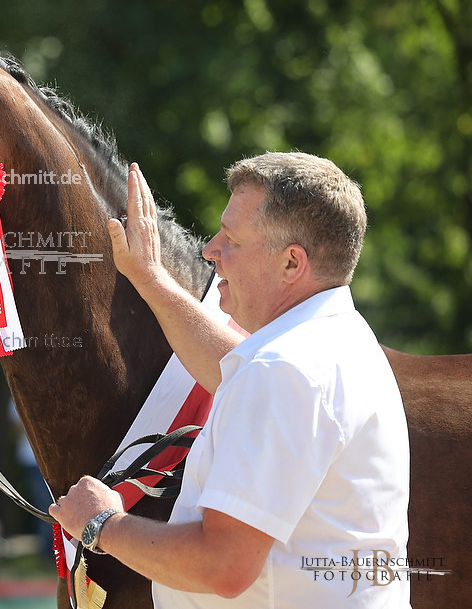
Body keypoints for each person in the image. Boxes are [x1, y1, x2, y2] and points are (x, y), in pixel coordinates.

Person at [49, 153, 410, 607]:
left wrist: (101, 524)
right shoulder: (339, 338)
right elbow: (231, 370)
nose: (210, 249)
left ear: (291, 264)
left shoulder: (284, 368)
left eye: (232, 239)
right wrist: (149, 276)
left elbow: (223, 566)